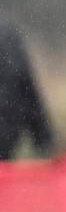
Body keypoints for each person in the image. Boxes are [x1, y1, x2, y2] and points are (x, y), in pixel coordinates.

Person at [0, 20, 56, 161]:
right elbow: (28, 89)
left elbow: (26, 87)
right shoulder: (9, 36)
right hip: (8, 135)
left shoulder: (8, 37)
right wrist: (44, 139)